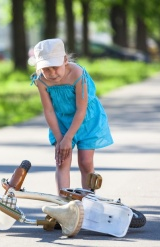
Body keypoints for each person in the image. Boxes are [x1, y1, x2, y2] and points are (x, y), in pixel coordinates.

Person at [29, 38, 114, 193]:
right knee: (62, 161)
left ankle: (89, 199)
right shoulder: (41, 81)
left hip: (87, 120)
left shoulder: (77, 74)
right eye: (46, 69)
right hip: (61, 122)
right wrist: (60, 138)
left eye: (55, 67)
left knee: (85, 162)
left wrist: (68, 138)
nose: (52, 73)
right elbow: (48, 110)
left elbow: (81, 109)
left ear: (65, 60)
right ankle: (63, 203)